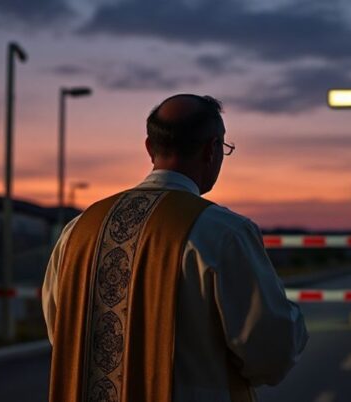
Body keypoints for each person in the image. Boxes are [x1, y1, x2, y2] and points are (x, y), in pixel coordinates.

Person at [42, 94, 308, 402]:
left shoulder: (79, 230)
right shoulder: (222, 233)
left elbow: (60, 331)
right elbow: (271, 351)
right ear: (211, 150)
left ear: (149, 148)